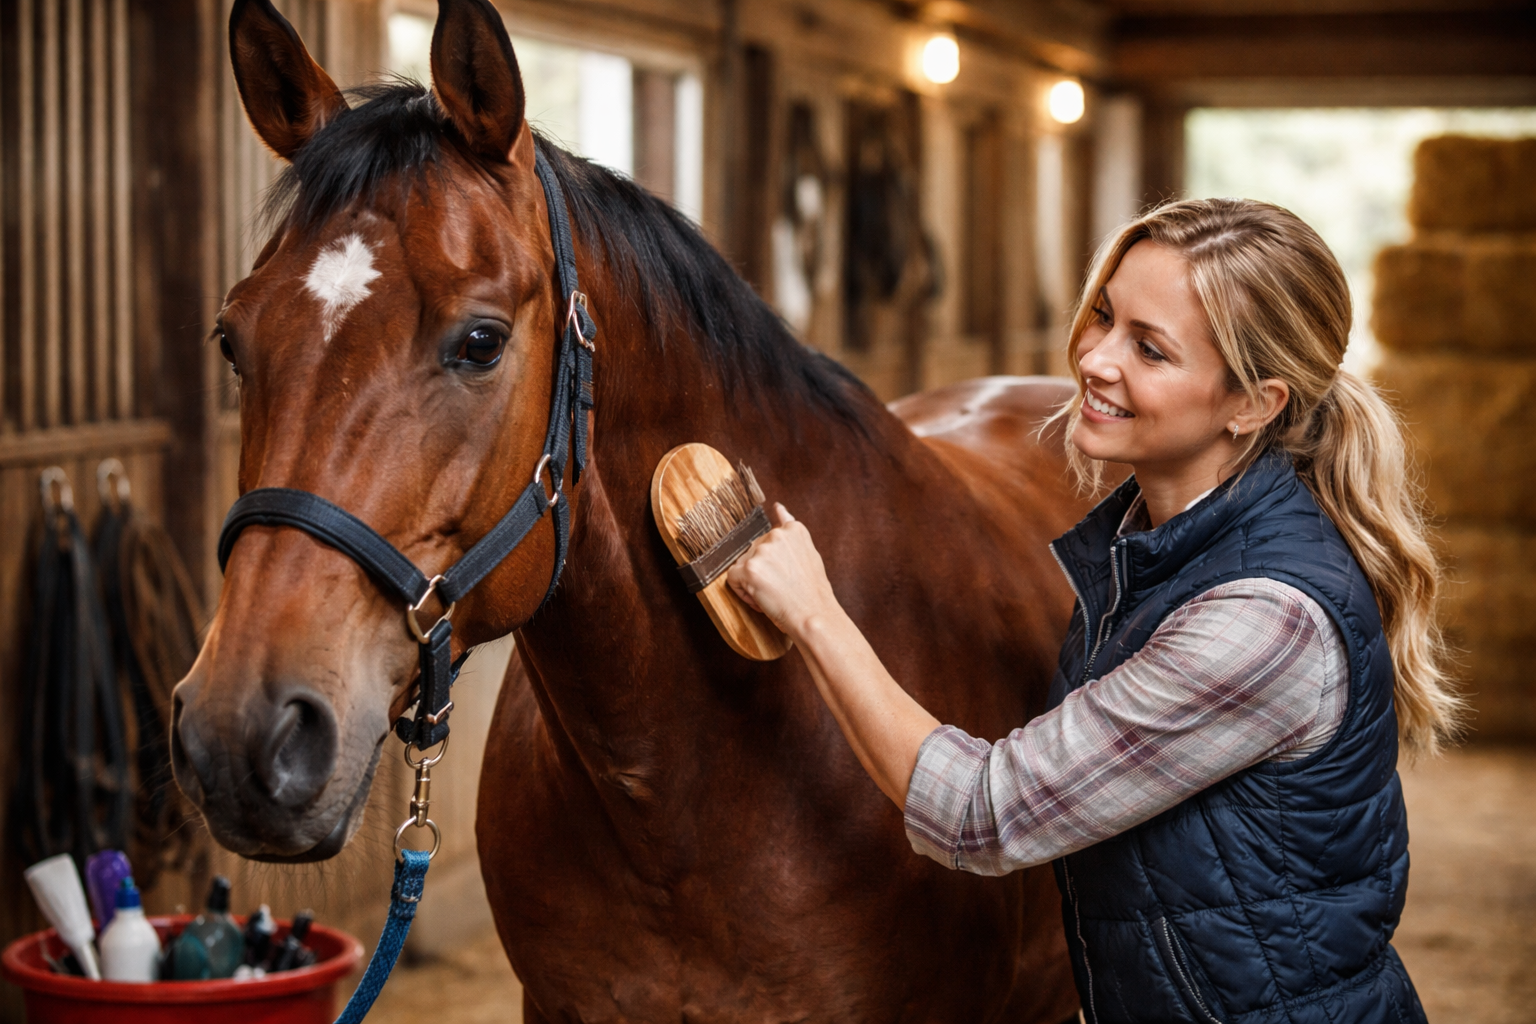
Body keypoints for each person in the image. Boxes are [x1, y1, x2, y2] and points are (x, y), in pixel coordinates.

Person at [728, 198, 1462, 1024]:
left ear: (1254, 404)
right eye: (1104, 317)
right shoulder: (1159, 544)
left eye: (1149, 349)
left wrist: (816, 614)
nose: (1095, 358)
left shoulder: (1261, 622)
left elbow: (984, 813)